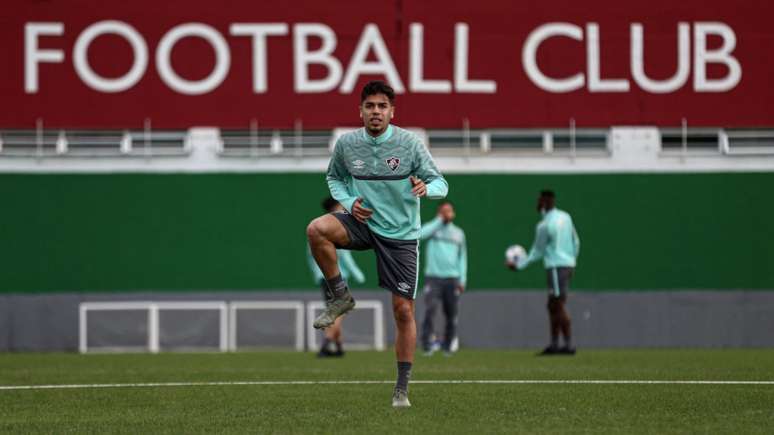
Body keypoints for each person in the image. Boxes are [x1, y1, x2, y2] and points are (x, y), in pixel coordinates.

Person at [306, 80, 448, 408]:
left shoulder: (409, 144)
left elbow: (440, 181)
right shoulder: (347, 144)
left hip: (400, 234)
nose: (376, 112)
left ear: (392, 112)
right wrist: (350, 200)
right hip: (362, 222)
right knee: (316, 230)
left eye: (382, 106)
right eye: (370, 106)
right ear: (360, 111)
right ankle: (340, 297)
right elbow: (334, 178)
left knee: (402, 310)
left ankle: (401, 388)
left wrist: (427, 189)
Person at [507, 190, 580, 355]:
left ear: (545, 203)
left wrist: (518, 265)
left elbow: (536, 252)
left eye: (539, 201)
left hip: (555, 267)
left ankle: (568, 346)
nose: (537, 204)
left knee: (558, 304)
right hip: (567, 265)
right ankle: (555, 345)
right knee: (552, 305)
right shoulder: (566, 217)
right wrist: (572, 262)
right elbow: (576, 240)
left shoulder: (544, 225)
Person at [306, 196, 366, 357]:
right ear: (336, 207)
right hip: (336, 277)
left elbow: (311, 256)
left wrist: (316, 274)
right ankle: (326, 344)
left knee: (335, 309)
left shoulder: (318, 227)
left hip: (323, 277)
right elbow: (345, 257)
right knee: (338, 310)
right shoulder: (335, 227)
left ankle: (338, 346)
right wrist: (358, 274)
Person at [419, 200, 467, 356]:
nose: (447, 213)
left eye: (449, 210)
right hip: (433, 278)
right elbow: (420, 234)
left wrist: (462, 279)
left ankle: (447, 347)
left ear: (453, 213)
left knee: (451, 314)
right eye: (444, 211)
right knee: (430, 311)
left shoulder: (459, 233)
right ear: (439, 213)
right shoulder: (433, 228)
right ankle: (427, 346)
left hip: (452, 279)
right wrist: (439, 220)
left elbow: (462, 258)